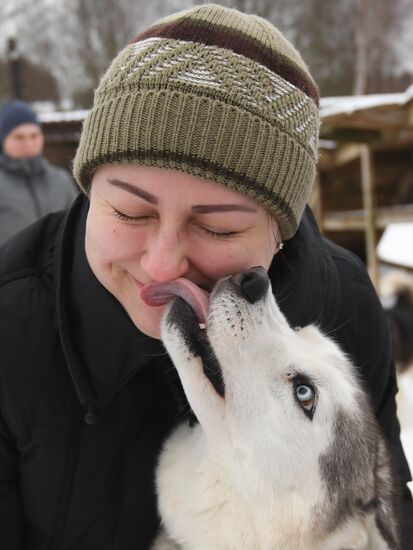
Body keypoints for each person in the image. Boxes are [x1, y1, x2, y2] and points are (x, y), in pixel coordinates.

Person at [0, 4, 411, 549]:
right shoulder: (10, 322)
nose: (163, 264)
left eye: (217, 228)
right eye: (130, 212)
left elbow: (380, 515)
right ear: (87, 192)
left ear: (279, 233)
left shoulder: (342, 306)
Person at [0, 99, 77, 245]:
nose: (28, 144)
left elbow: (78, 227)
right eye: (19, 137)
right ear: (3, 140)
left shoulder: (61, 180)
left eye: (34, 136)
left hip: (57, 267)